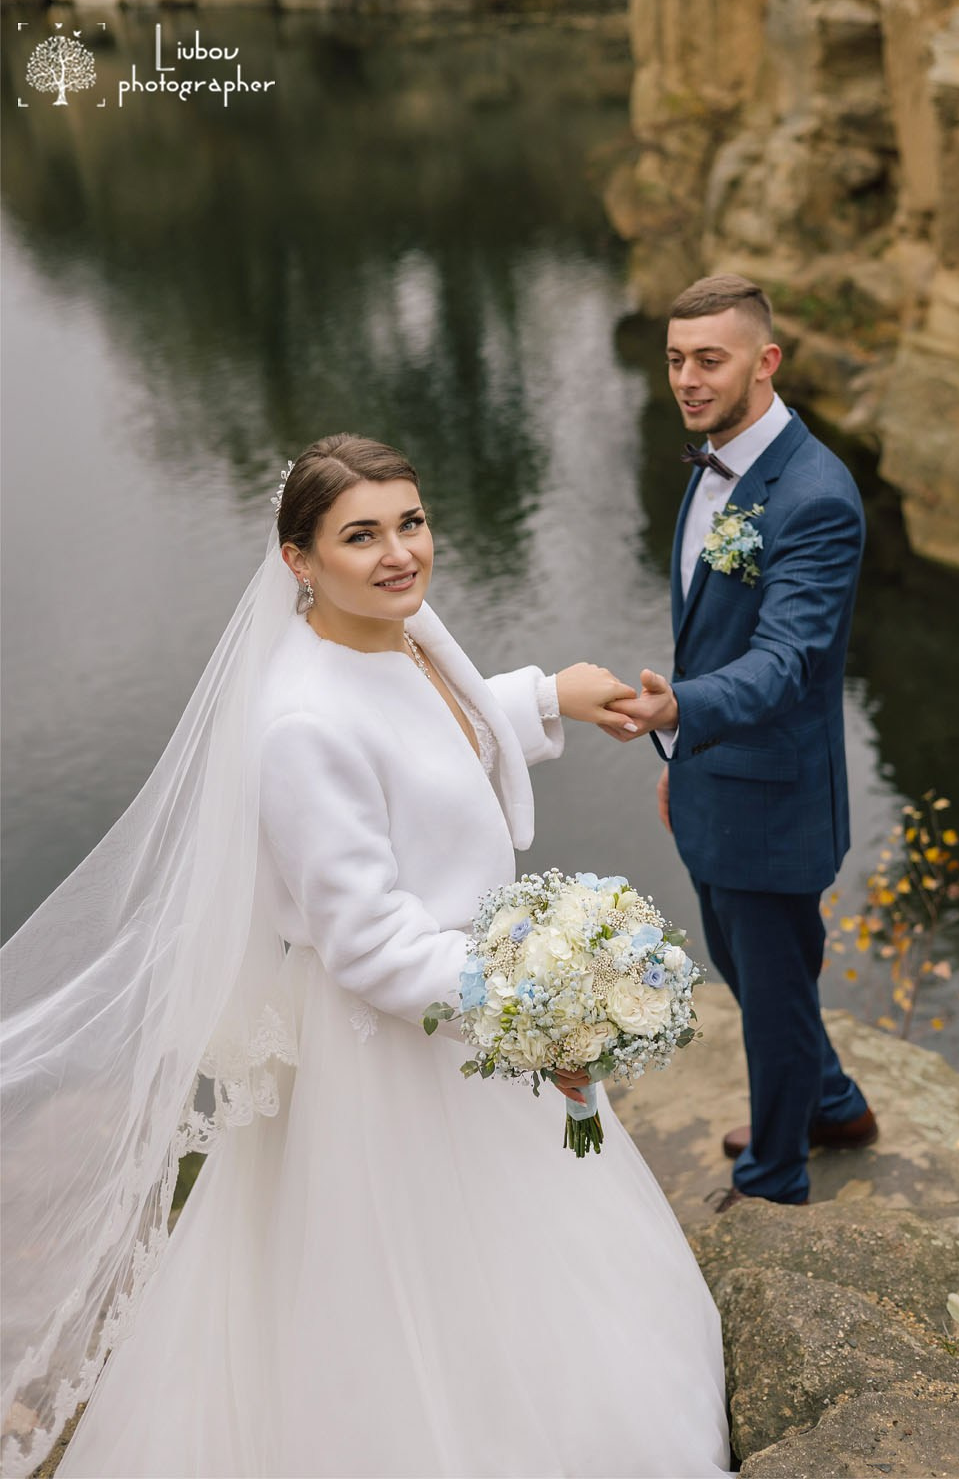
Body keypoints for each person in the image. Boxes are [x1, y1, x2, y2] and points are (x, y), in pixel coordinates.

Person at [1, 434, 734, 1479]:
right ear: (298, 560)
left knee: (524, 1246)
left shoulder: (395, 628)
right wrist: (536, 1005)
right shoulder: (299, 723)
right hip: (401, 1050)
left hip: (469, 1011)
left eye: (410, 522)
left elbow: (426, 734)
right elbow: (369, 944)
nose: (399, 553)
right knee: (421, 1287)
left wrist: (541, 699)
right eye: (361, 535)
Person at [604, 275, 877, 1211]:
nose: (686, 378)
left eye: (709, 360)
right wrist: (685, 760)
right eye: (676, 359)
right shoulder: (718, 458)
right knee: (758, 976)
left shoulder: (816, 497)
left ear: (766, 362)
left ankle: (774, 1180)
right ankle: (833, 1103)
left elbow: (787, 663)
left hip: (773, 800)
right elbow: (712, 634)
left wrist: (676, 712)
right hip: (712, 778)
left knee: (771, 992)